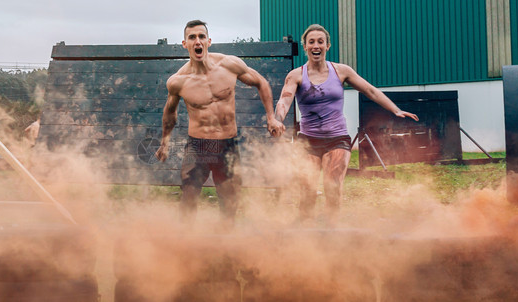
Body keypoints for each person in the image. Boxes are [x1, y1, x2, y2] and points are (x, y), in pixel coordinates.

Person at [273, 24, 418, 225]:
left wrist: (395, 110)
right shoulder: (296, 75)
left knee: (332, 186)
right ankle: (303, 235)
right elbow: (284, 100)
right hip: (308, 141)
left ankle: (332, 231)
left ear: (328, 46)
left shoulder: (341, 71)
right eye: (312, 42)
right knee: (307, 191)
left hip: (337, 139)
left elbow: (370, 90)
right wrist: (277, 120)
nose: (316, 46)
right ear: (305, 47)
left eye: (320, 42)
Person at [155, 20, 286, 226]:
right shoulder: (178, 81)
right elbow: (169, 112)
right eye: (192, 37)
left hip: (227, 145)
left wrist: (271, 117)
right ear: (184, 44)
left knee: (230, 201)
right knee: (188, 196)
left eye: (201, 36)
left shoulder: (229, 65)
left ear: (209, 41)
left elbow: (261, 82)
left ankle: (225, 245)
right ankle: (184, 246)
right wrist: (165, 142)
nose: (197, 41)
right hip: (198, 146)